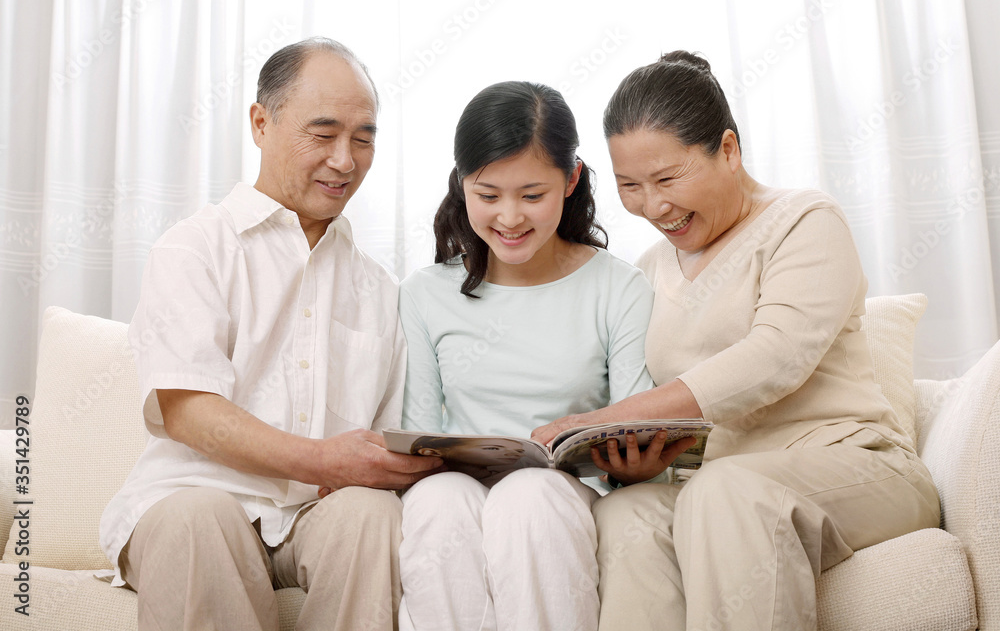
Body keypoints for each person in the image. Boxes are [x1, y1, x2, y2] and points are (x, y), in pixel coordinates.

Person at [532, 51, 942, 631]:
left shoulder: (803, 220)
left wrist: (610, 414)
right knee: (628, 512)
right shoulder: (648, 269)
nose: (655, 206)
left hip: (854, 465)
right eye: (631, 185)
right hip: (714, 482)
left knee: (726, 491)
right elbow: (673, 412)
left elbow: (774, 358)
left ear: (728, 149)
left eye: (668, 178)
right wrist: (639, 458)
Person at [98, 37, 441, 631]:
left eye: (364, 138)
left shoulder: (380, 288)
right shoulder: (196, 247)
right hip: (190, 498)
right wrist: (322, 462)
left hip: (312, 518)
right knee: (203, 518)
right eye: (324, 133)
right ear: (261, 123)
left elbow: (383, 436)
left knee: (370, 513)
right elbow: (187, 411)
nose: (345, 160)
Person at [396, 80, 692, 631]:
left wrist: (639, 467)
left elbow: (634, 415)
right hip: (456, 490)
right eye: (488, 196)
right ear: (462, 185)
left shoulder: (618, 287)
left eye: (532, 196)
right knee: (437, 500)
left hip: (558, 494)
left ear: (571, 179)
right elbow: (416, 429)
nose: (510, 218)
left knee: (529, 496)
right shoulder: (423, 293)